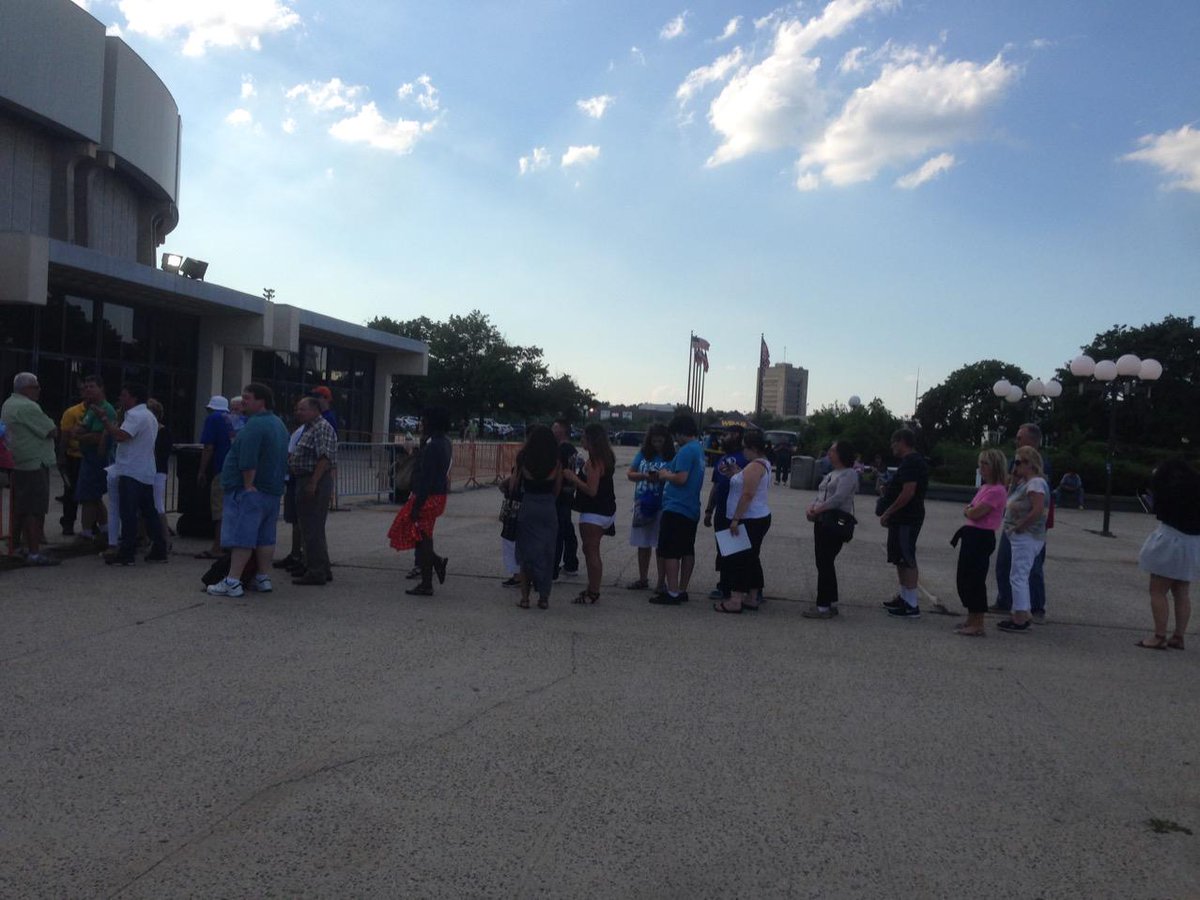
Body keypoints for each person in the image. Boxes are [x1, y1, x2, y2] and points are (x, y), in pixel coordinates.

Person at [206, 384, 290, 597]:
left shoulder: (254, 426)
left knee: (242, 536)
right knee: (265, 537)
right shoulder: (278, 424)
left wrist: (247, 484)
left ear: (261, 401)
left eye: (247, 398)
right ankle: (262, 577)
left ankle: (233, 580)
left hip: (249, 491)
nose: (243, 402)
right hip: (271, 490)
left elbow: (248, 458)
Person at [96, 383, 168, 566]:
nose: (121, 398)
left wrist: (105, 421)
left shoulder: (135, 416)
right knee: (149, 511)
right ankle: (159, 548)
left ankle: (127, 552)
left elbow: (122, 436)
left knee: (128, 512)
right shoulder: (149, 416)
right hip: (146, 469)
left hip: (131, 469)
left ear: (133, 398)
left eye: (124, 395)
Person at [1134, 458, 1199, 650]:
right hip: (1193, 542)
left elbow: (1157, 509)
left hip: (1171, 539)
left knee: (1158, 590)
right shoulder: (1195, 489)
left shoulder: (1168, 490)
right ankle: (1179, 636)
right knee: (1182, 591)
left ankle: (1159, 636)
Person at [389, 406, 452, 596]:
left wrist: (417, 504)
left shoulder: (433, 446)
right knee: (421, 535)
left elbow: (427, 477)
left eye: (424, 420)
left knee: (420, 537)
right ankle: (434, 564)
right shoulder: (444, 442)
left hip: (427, 497)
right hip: (436, 495)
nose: (421, 423)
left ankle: (427, 582)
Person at [992, 422, 1051, 621]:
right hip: (1015, 526)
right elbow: (1011, 486)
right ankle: (1007, 601)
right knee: (1005, 564)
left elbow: (1038, 505)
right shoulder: (1019, 464)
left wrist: (1021, 525)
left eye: (1020, 437)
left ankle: (1033, 608)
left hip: (1026, 530)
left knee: (1029, 569)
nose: (1016, 441)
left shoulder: (1038, 471)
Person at [1, 372, 59, 566]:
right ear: (25, 388)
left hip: (18, 461)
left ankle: (15, 546)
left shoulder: (9, 403)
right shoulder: (28, 406)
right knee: (33, 509)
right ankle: (34, 552)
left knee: (20, 507)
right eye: (36, 386)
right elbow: (51, 430)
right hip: (34, 462)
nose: (39, 390)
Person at [649, 414, 706, 605]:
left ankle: (672, 592)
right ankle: (682, 589)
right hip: (691, 508)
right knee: (687, 550)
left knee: (670, 551)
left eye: (675, 434)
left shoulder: (685, 450)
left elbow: (681, 478)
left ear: (681, 432)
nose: (674, 439)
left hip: (676, 507)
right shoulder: (698, 449)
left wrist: (665, 475)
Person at [951, 448, 1008, 636]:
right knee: (965, 577)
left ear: (995, 467)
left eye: (985, 464)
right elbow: (971, 509)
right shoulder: (985, 488)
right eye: (980, 463)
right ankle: (971, 617)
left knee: (975, 578)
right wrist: (969, 510)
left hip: (981, 537)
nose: (981, 467)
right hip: (971, 534)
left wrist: (969, 510)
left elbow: (975, 512)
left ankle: (978, 622)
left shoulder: (998, 491)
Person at [713, 431, 772, 614]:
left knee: (739, 559)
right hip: (757, 517)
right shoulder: (760, 464)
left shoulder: (755, 465)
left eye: (745, 447)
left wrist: (736, 519)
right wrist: (735, 473)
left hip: (750, 518)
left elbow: (747, 494)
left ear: (753, 448)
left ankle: (735, 599)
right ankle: (752, 596)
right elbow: (745, 482)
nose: (743, 451)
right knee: (751, 558)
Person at [507, 424, 562, 609]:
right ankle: (544, 597)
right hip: (547, 507)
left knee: (526, 553)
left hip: (528, 506)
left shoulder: (523, 458)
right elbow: (557, 489)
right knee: (547, 553)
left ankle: (524, 598)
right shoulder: (555, 459)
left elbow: (513, 484)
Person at [803, 439, 859, 619]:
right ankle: (831, 601)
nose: (829, 453)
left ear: (842, 454)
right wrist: (811, 508)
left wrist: (817, 510)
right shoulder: (833, 473)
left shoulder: (849, 474)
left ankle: (823, 606)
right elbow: (821, 495)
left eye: (833, 450)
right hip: (822, 521)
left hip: (833, 523)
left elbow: (838, 498)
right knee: (824, 562)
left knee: (825, 562)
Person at [562, 423, 617, 604]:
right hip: (607, 510)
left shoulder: (594, 462)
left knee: (591, 551)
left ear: (592, 439)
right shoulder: (607, 457)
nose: (581, 439)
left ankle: (593, 592)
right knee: (589, 549)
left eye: (584, 437)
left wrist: (573, 478)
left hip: (594, 512)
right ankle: (592, 587)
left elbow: (591, 490)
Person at [285, 397, 338, 585]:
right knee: (311, 527)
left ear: (315, 410)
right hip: (304, 479)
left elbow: (324, 458)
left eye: (302, 409)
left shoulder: (320, 427)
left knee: (311, 528)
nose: (298, 412)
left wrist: (313, 482)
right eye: (297, 409)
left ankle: (316, 571)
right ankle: (321, 567)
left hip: (313, 479)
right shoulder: (309, 428)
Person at [879, 428, 929, 619]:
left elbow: (908, 492)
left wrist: (888, 511)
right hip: (904, 517)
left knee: (907, 557)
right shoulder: (913, 462)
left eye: (893, 442)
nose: (892, 446)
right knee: (900, 557)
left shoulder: (911, 462)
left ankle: (911, 604)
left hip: (907, 517)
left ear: (901, 442)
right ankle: (905, 596)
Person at [625, 424, 673, 591]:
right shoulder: (643, 454)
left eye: (660, 441)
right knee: (643, 544)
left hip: (662, 504)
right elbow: (630, 473)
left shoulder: (671, 456)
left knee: (661, 545)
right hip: (643, 503)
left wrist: (663, 477)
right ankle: (643, 578)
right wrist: (645, 475)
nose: (657, 444)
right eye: (654, 441)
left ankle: (661, 581)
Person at [703, 427, 746, 602]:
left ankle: (737, 588)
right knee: (723, 550)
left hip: (737, 512)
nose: (722, 438)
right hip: (720, 511)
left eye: (726, 435)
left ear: (736, 436)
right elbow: (716, 486)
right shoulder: (721, 459)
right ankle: (724, 584)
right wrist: (708, 509)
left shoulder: (746, 459)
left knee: (736, 551)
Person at [73, 375, 114, 544]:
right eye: (86, 386)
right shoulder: (91, 409)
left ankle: (87, 531)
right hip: (88, 457)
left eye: (92, 386)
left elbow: (98, 437)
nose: (88, 390)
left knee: (88, 496)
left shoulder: (106, 409)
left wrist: (83, 436)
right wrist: (82, 434)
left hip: (98, 458)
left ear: (101, 388)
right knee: (93, 496)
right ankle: (104, 529)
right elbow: (78, 429)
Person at [195, 395, 233, 560]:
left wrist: (202, 470)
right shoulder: (232, 419)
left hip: (220, 468)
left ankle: (217, 546)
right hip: (234, 469)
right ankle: (228, 544)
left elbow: (208, 446)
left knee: (219, 509)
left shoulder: (213, 419)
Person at [56, 381, 86, 536]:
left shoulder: (101, 411)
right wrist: (61, 457)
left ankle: (91, 525)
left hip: (90, 457)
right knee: (70, 492)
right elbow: (64, 436)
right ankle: (68, 523)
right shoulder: (72, 412)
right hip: (74, 457)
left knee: (90, 493)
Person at [551, 418, 580, 579]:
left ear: (561, 430)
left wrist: (553, 493)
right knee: (567, 529)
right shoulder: (572, 449)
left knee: (558, 532)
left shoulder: (561, 450)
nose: (552, 429)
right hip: (568, 492)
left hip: (560, 493)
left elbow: (559, 473)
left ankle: (553, 569)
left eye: (554, 427)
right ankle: (570, 563)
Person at [146, 398, 173, 548]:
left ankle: (165, 539)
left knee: (158, 505)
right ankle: (144, 536)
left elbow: (163, 454)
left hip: (158, 471)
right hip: (147, 470)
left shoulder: (163, 432)